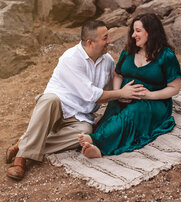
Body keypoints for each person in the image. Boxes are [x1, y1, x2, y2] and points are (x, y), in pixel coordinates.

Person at [6, 20, 146, 180]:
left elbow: (111, 88)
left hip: (80, 116)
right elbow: (93, 95)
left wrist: (131, 87)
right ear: (90, 43)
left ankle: (22, 144)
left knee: (86, 133)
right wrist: (121, 93)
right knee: (49, 100)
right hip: (56, 110)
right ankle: (20, 159)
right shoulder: (71, 58)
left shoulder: (107, 61)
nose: (109, 41)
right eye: (105, 38)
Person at [78, 13, 181, 158]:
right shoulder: (129, 51)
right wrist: (118, 92)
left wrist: (149, 95)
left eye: (138, 31)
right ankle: (98, 141)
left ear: (151, 32)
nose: (133, 35)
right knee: (113, 112)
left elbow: (174, 87)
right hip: (125, 95)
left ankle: (97, 143)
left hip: (153, 102)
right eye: (133, 31)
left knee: (131, 114)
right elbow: (118, 74)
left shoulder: (166, 56)